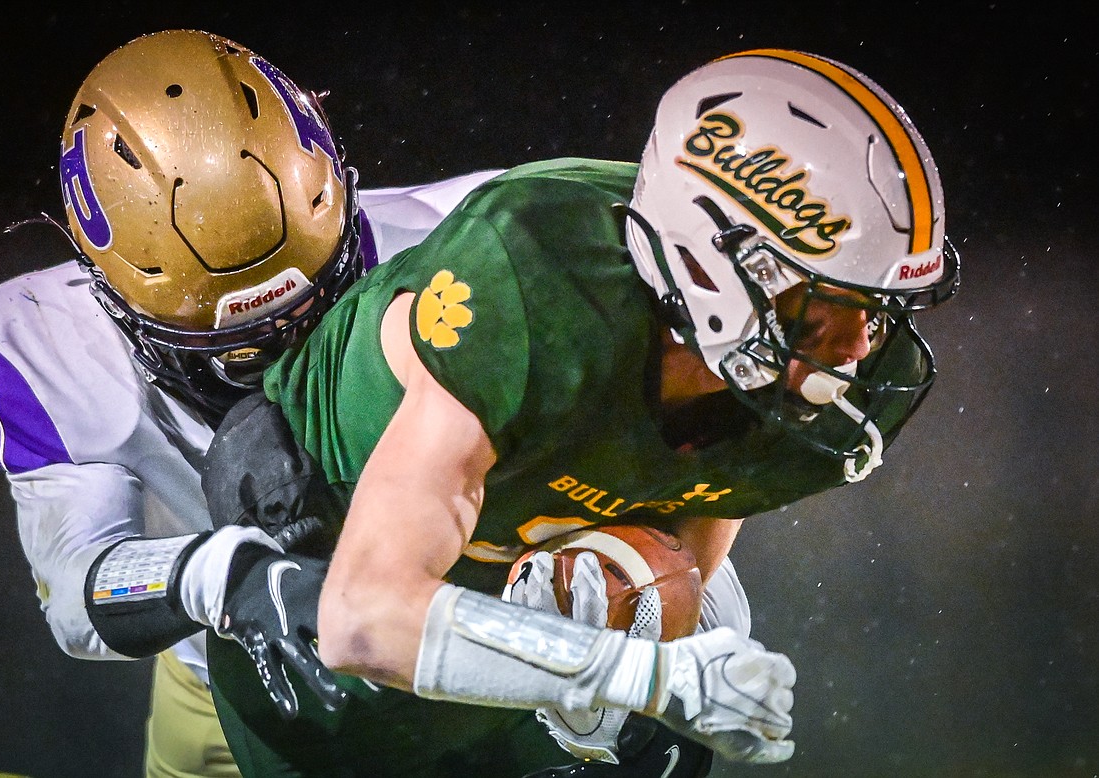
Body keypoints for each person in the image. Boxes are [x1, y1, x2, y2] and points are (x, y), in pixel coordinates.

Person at [200, 47, 960, 777]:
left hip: (514, 602)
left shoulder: (816, 377)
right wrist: (639, 676)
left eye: (883, 311)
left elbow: (708, 510)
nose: (859, 348)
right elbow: (362, 618)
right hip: (324, 608)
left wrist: (627, 663)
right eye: (831, 304)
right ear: (713, 263)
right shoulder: (539, 286)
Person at [0, 29, 504, 777]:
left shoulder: (472, 243)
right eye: (235, 350)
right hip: (233, 669)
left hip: (467, 639)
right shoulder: (49, 347)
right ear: (106, 292)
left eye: (314, 311)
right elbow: (78, 588)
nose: (280, 364)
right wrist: (223, 576)